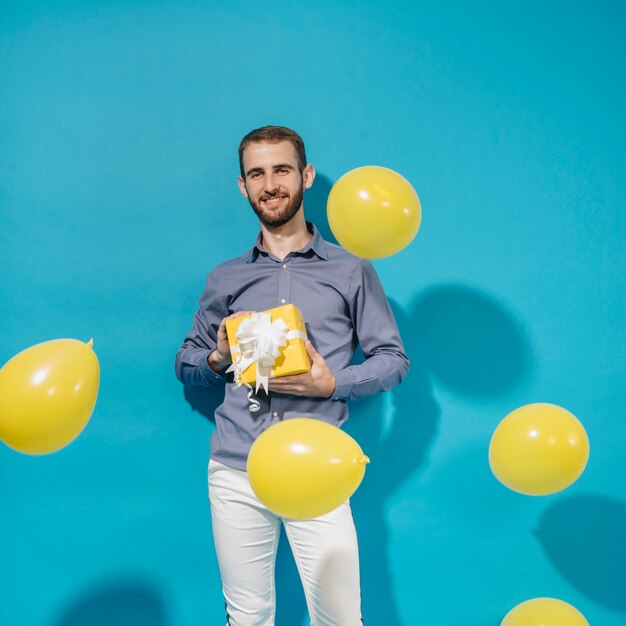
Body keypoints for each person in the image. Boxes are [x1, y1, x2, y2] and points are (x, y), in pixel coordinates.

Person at [175, 125, 409, 626]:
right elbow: (187, 364)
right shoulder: (226, 277)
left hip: (317, 467)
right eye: (256, 174)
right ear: (243, 185)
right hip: (237, 469)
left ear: (304, 175)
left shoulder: (351, 270)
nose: (270, 184)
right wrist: (218, 359)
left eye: (281, 169)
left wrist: (333, 384)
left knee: (341, 619)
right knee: (248, 619)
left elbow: (393, 359)